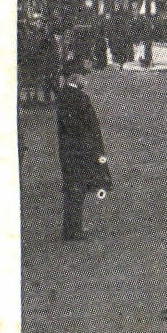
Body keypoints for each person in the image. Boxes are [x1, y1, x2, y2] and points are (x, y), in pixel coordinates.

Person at [57, 59, 111, 241]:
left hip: (70, 149)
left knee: (74, 188)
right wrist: (91, 148)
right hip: (79, 149)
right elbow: (81, 127)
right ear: (74, 77)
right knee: (76, 189)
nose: (85, 79)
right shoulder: (77, 97)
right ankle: (73, 230)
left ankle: (72, 227)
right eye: (82, 76)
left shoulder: (65, 95)